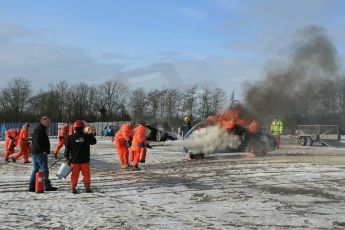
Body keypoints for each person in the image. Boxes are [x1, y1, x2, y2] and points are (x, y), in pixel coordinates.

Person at [65, 120, 97, 194]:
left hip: (75, 160)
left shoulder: (71, 137)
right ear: (83, 128)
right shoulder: (87, 136)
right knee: (86, 174)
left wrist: (67, 158)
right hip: (85, 160)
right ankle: (87, 187)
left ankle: (73, 188)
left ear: (74, 128)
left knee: (74, 174)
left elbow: (67, 149)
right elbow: (94, 142)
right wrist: (92, 134)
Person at [29, 116, 57, 192]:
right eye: (48, 122)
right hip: (39, 153)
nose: (49, 124)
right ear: (43, 121)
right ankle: (47, 186)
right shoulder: (40, 130)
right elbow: (38, 142)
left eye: (50, 123)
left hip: (36, 152)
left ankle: (32, 186)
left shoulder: (40, 129)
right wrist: (43, 150)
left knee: (36, 169)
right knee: (44, 170)